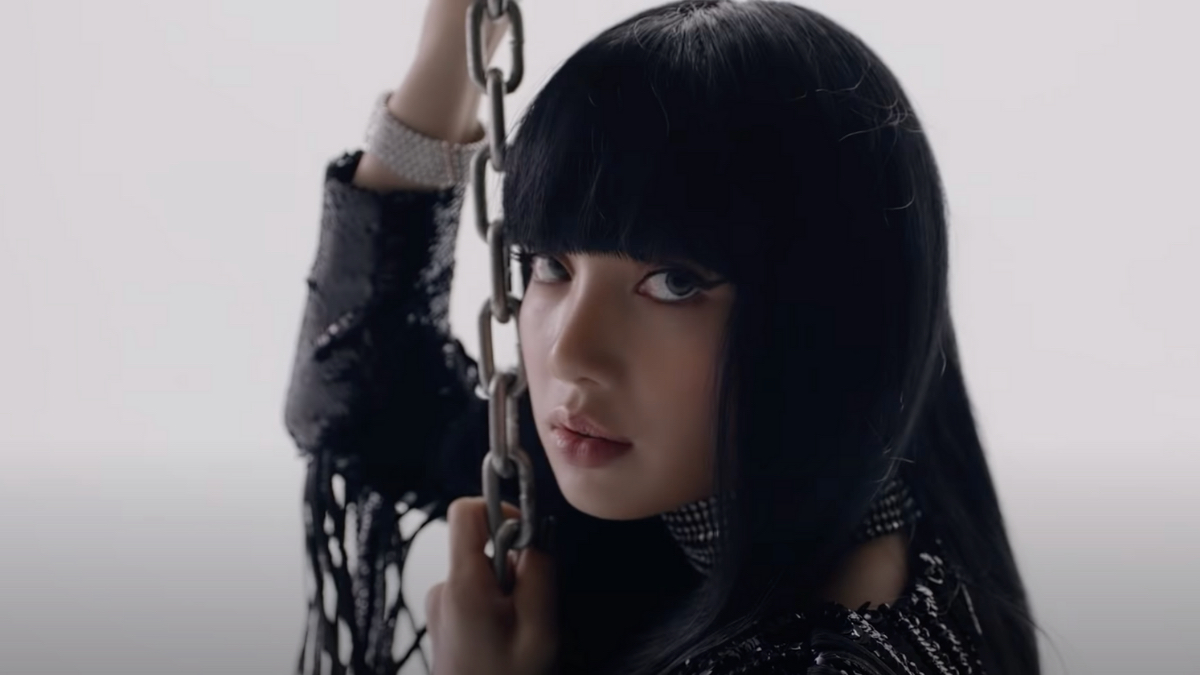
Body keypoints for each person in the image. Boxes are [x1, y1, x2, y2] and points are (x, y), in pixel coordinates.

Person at [284, 1, 1042, 674]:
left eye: (675, 283)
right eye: (549, 264)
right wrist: (454, 32)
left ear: (833, 312)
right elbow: (361, 391)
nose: (569, 353)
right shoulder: (705, 509)